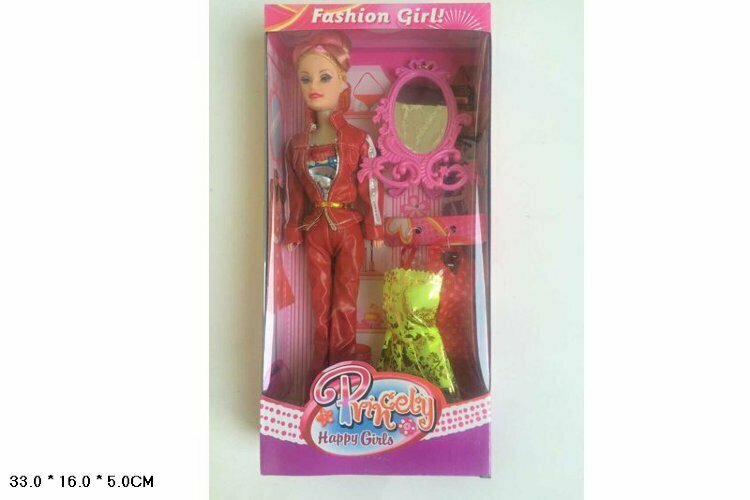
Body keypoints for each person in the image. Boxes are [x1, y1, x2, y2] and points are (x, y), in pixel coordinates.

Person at [283, 31, 384, 388]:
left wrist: (374, 228)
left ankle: (343, 372)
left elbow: (370, 188)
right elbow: (295, 193)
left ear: (343, 81)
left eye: (324, 77)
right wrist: (292, 228)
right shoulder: (296, 144)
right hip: (315, 228)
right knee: (320, 303)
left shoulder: (358, 140)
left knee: (345, 302)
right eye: (305, 78)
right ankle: (319, 375)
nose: (314, 86)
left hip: (347, 227)